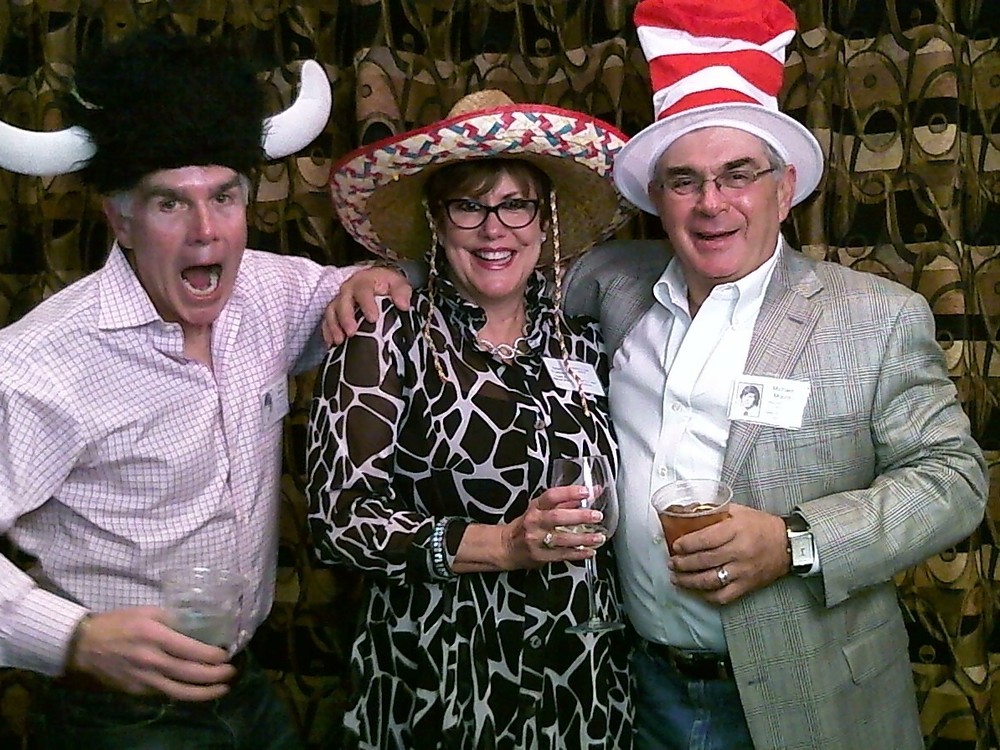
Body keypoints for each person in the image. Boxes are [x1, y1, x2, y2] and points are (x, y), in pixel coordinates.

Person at [558, 0, 990, 748]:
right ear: (656, 199)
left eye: (738, 175)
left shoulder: (876, 317)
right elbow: (489, 268)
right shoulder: (615, 285)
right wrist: (379, 280)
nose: (712, 204)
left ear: (784, 189)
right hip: (634, 691)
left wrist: (796, 541)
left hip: (811, 697)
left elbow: (954, 481)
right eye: (684, 181)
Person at [0, 27, 406, 750]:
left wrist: (376, 277)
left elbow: (352, 287)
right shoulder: (40, 363)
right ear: (120, 219)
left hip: (245, 685)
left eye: (224, 197)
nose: (206, 232)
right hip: (115, 717)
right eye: (170, 204)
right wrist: (70, 637)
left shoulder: (268, 293)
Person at [307, 90, 636, 749]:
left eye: (516, 205)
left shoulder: (584, 339)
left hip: (582, 675)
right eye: (469, 206)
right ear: (437, 219)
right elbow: (339, 523)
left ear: (544, 220)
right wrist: (503, 545)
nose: (495, 230)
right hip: (443, 669)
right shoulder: (387, 331)